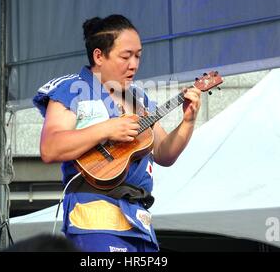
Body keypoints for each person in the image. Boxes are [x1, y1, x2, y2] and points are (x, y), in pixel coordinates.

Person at [33, 14, 201, 252]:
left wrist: (188, 120)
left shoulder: (139, 98)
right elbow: (50, 148)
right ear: (99, 55)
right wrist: (106, 129)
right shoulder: (72, 89)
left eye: (138, 56)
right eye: (126, 56)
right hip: (94, 216)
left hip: (139, 220)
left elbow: (164, 153)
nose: (134, 64)